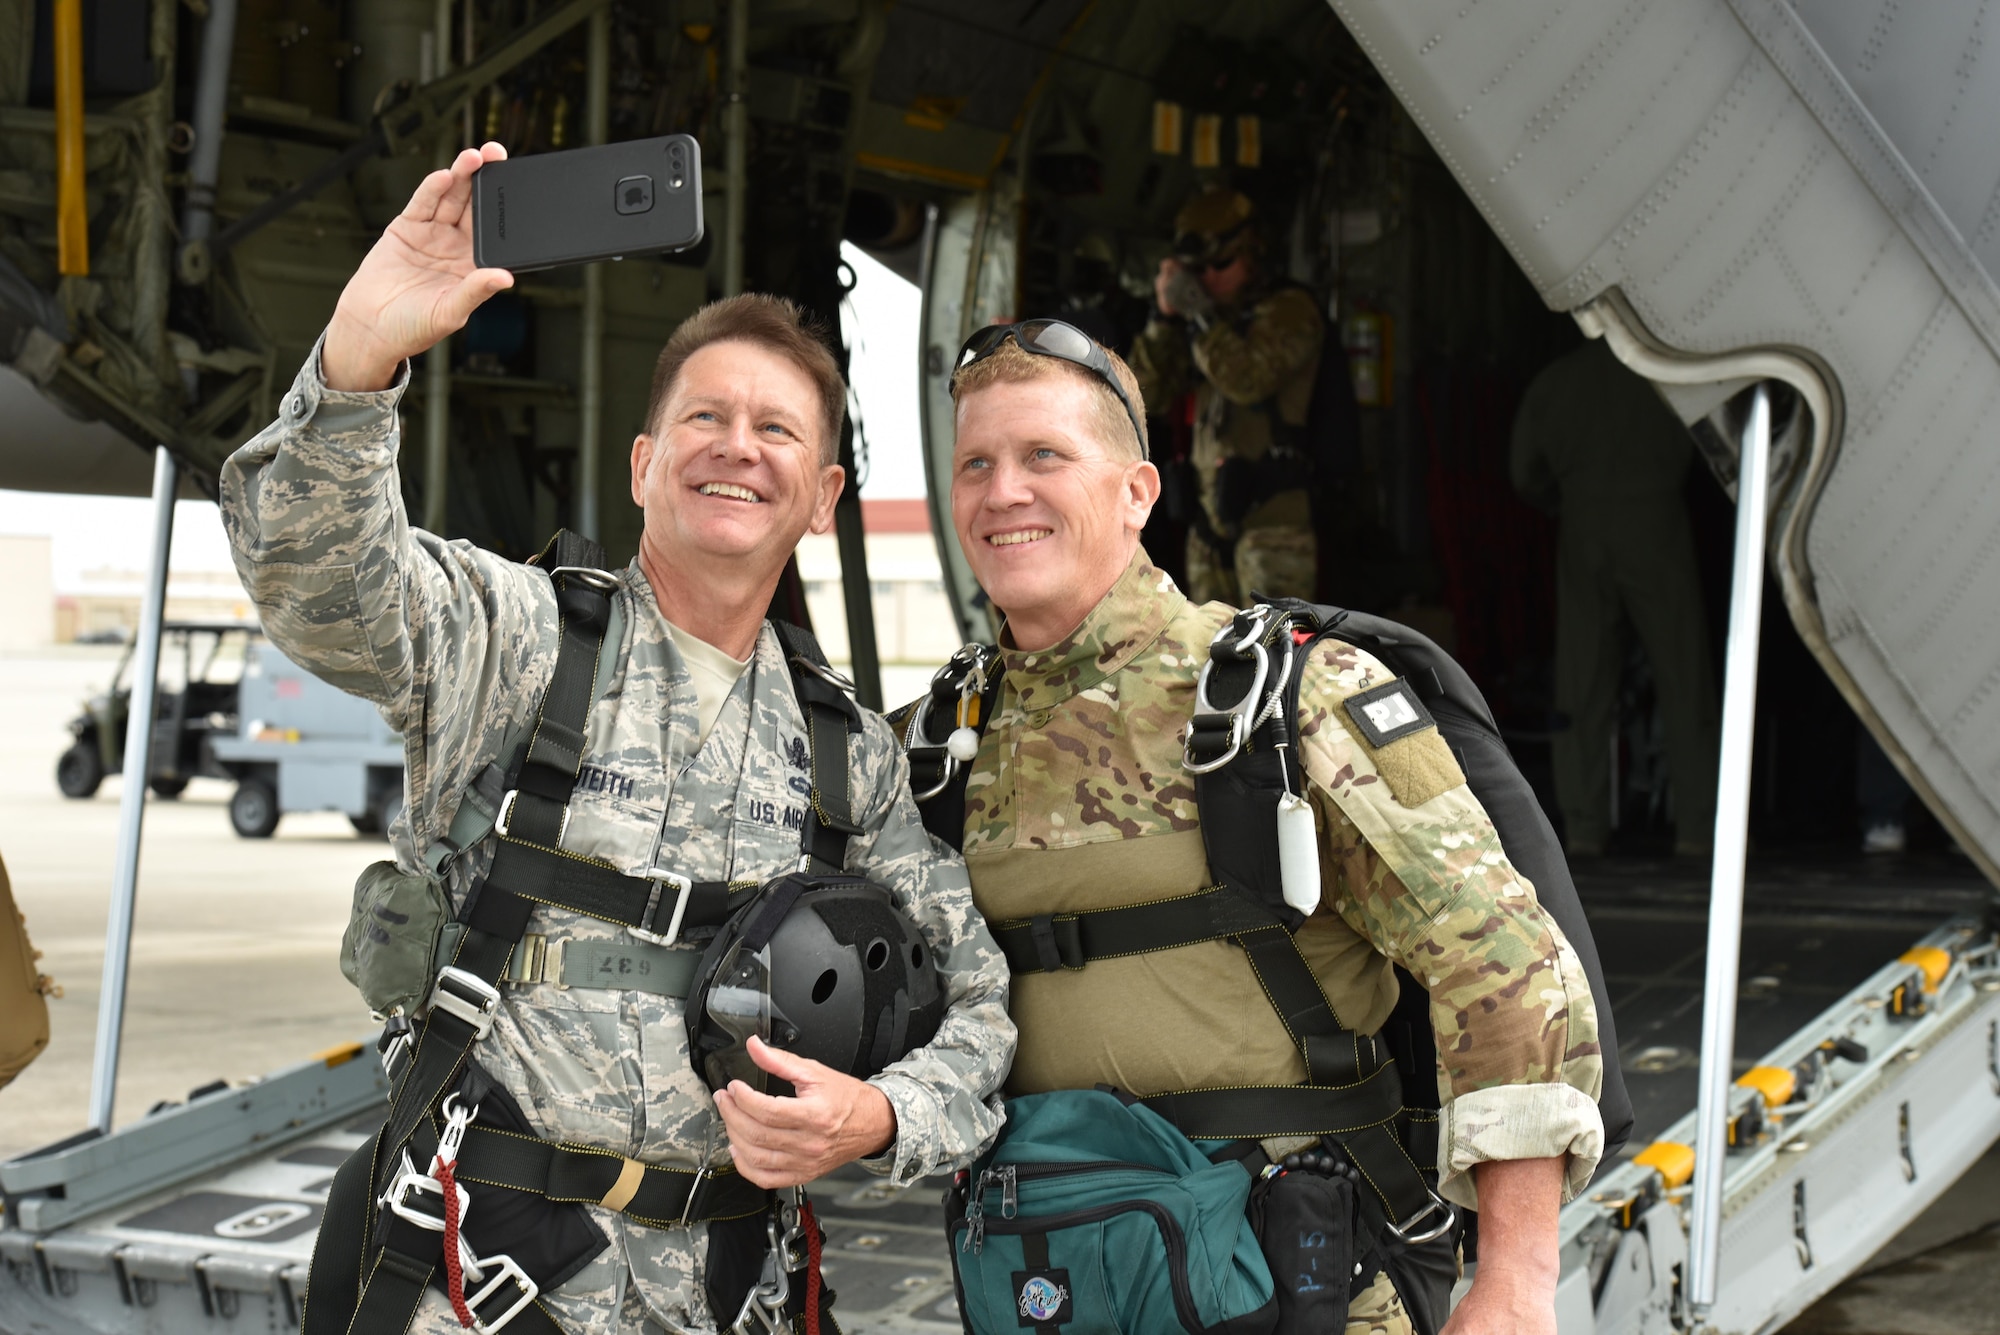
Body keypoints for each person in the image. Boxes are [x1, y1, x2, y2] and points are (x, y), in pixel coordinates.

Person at [220, 142, 1014, 1334]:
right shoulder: (518, 640)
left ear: (821, 499)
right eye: (703, 416)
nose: (736, 445)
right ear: (645, 466)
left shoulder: (847, 757)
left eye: (775, 430)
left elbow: (979, 1005)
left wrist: (885, 1120)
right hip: (483, 1282)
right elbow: (320, 581)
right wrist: (358, 360)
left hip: (721, 1293)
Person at [937, 321, 1604, 1335]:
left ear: (1137, 493)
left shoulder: (1286, 700)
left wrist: (1514, 1280)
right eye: (974, 464)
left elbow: (1503, 960)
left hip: (1298, 1282)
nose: (1002, 493)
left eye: (1043, 456)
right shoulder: (941, 744)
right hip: (1053, 1278)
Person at [1510, 338, 1721, 859]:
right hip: (1657, 522)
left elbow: (1523, 472)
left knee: (1582, 684)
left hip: (1584, 525)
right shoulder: (1670, 374)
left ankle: (1584, 825)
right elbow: (1715, 453)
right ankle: (1698, 828)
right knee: (1683, 677)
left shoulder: (1558, 380)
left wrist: (1567, 501)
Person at [1129, 184, 1325, 606]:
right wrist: (1164, 321)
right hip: (1209, 524)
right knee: (1212, 659)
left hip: (1273, 524)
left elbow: (1247, 378)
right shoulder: (1206, 327)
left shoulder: (1289, 310)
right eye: (1198, 271)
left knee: (1275, 660)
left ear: (1253, 255)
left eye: (1221, 264)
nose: (1210, 279)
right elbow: (1141, 398)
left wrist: (1198, 314)